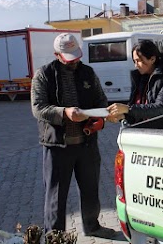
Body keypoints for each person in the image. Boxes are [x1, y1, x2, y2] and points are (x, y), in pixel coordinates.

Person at [30, 33, 116, 239]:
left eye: (76, 55)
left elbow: (101, 101)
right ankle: (55, 236)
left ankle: (92, 226)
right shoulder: (44, 75)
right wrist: (64, 112)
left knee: (90, 189)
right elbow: (38, 108)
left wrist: (100, 119)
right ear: (56, 54)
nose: (75, 61)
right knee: (56, 196)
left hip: (86, 144)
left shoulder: (88, 73)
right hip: (58, 146)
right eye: (69, 57)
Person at [107, 39, 163, 128]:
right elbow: (138, 110)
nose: (136, 65)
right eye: (134, 61)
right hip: (143, 132)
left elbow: (161, 108)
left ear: (152, 59)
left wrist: (127, 109)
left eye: (139, 61)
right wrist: (122, 116)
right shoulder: (139, 77)